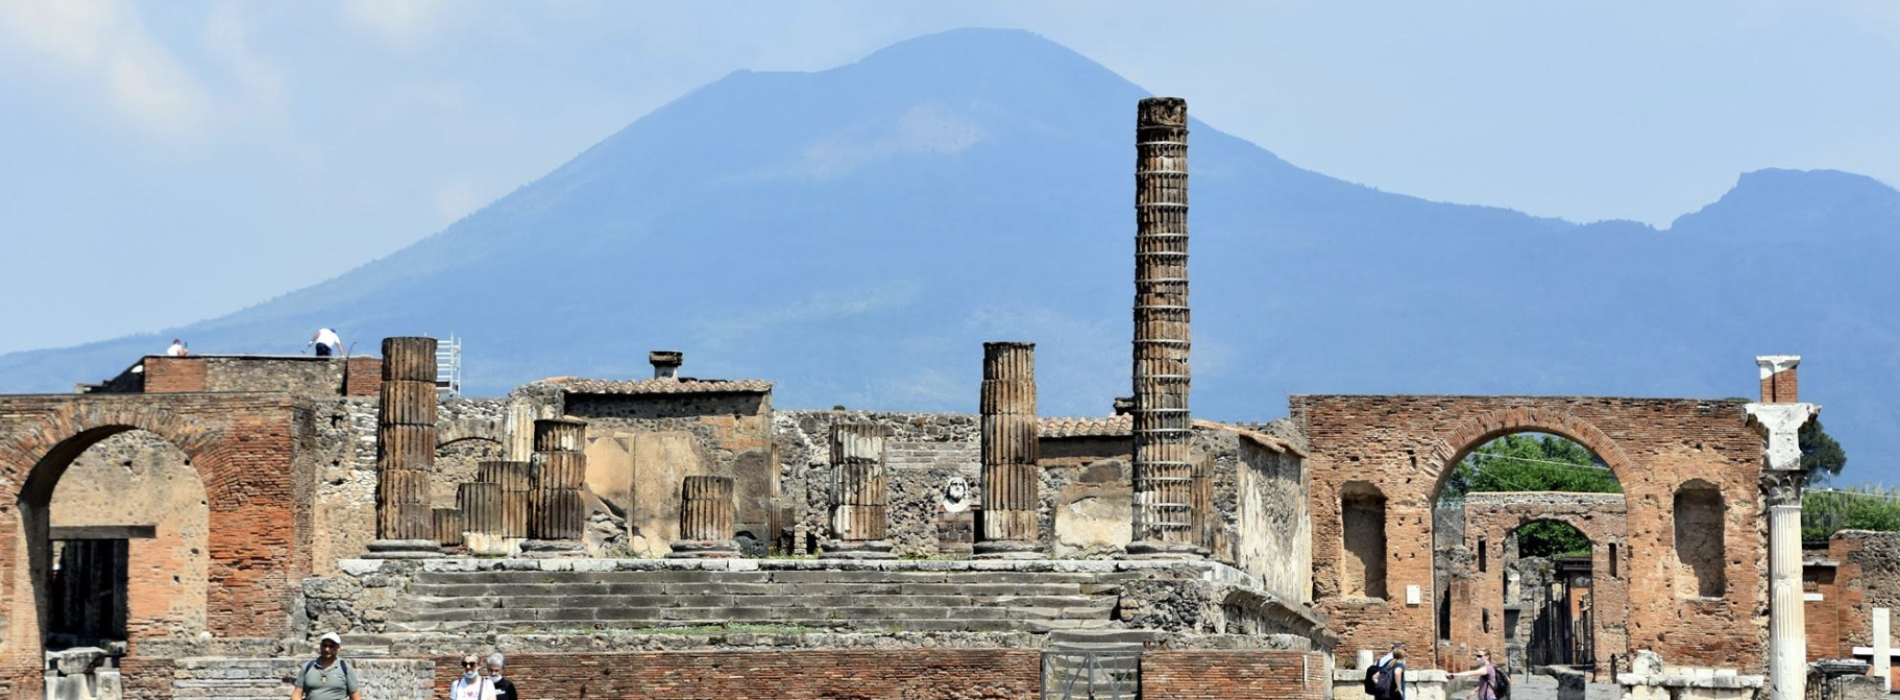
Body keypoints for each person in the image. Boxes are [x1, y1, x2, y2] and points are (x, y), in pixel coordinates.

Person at [291, 633, 360, 700]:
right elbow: (297, 693)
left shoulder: (345, 668)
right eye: (324, 645)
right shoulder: (307, 667)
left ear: (338, 648)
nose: (327, 649)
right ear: (320, 646)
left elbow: (355, 695)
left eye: (331, 646)